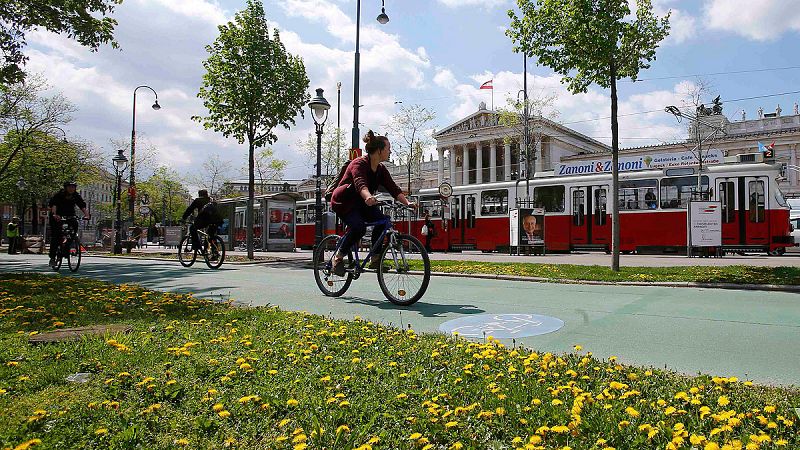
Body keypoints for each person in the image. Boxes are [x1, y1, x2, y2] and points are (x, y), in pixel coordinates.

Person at [330, 130, 415, 275]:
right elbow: (360, 183)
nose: (390, 151)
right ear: (379, 150)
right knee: (358, 227)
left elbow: (393, 188)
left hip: (362, 203)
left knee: (384, 221)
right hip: (344, 202)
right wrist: (368, 197)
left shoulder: (381, 169)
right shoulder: (359, 164)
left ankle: (375, 259)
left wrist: (407, 202)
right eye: (388, 148)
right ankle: (337, 258)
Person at [48, 181, 89, 267]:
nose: (71, 189)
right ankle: (52, 257)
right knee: (56, 236)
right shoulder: (59, 195)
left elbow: (81, 205)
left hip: (70, 215)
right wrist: (55, 214)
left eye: (73, 187)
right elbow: (54, 205)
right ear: (66, 188)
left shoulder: (75, 196)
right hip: (57, 215)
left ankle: (67, 246)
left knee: (74, 226)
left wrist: (86, 214)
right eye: (70, 187)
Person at [182, 189, 224, 257]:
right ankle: (215, 252)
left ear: (199, 194)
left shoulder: (198, 200)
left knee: (192, 228)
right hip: (216, 220)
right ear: (207, 194)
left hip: (204, 220)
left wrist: (183, 218)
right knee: (211, 235)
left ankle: (196, 246)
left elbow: (189, 209)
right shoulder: (212, 200)